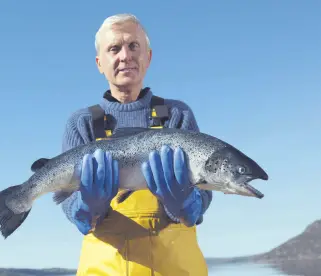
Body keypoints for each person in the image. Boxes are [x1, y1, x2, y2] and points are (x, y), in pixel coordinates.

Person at [60, 13, 213, 276]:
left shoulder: (177, 114)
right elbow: (68, 203)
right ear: (99, 63)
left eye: (133, 46)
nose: (125, 56)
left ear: (148, 57)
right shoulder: (81, 123)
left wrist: (186, 204)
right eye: (114, 48)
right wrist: (87, 208)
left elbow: (206, 189)